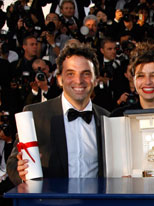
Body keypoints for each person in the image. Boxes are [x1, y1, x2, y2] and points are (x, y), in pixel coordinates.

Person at [6, 43, 109, 185]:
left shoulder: (108, 119)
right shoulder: (36, 114)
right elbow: (12, 164)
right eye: (70, 73)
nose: (78, 81)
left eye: (86, 73)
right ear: (59, 79)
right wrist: (22, 171)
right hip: (50, 204)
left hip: (95, 205)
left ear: (95, 79)